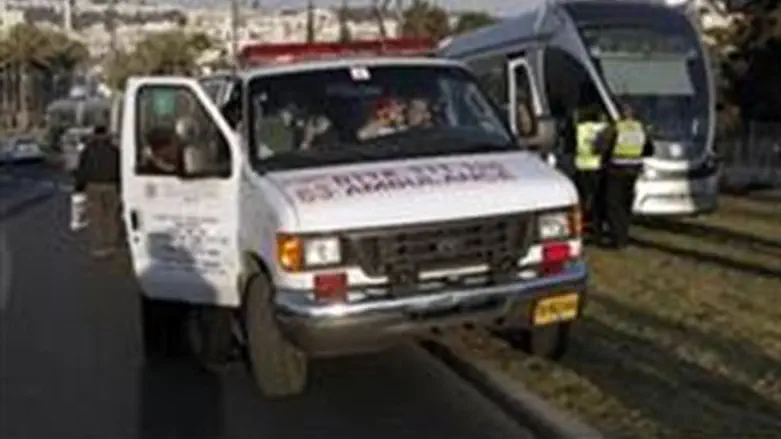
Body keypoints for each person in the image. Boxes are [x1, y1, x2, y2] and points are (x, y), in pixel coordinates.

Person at [595, 102, 653, 249]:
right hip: (633, 171)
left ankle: (617, 239)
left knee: (613, 204)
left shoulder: (616, 128)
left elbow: (601, 146)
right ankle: (624, 235)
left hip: (616, 170)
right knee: (626, 204)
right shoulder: (641, 128)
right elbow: (649, 149)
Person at [73, 124, 122, 258]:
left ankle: (99, 246)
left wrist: (79, 187)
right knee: (111, 216)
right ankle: (111, 244)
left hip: (93, 186)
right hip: (111, 185)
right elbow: (119, 169)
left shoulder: (88, 151)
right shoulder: (115, 150)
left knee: (96, 217)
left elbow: (82, 170)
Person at [574, 106, 610, 239]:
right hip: (597, 166)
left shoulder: (580, 128)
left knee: (582, 198)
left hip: (581, 166)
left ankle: (581, 225)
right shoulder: (604, 127)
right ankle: (597, 226)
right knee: (598, 199)